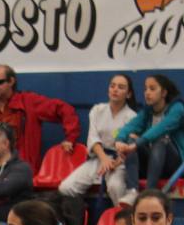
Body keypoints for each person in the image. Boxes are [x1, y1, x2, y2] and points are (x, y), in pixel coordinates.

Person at [0, 64, 79, 167]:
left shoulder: (29, 102)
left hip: (22, 169)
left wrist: (70, 138)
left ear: (11, 81)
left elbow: (64, 109)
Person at [113, 74, 184, 196]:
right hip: (152, 165)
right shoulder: (147, 112)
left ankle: (149, 192)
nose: (147, 93)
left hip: (175, 166)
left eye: (152, 89)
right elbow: (130, 126)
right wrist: (119, 140)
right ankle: (132, 191)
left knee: (160, 139)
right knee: (130, 138)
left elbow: (161, 128)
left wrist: (138, 143)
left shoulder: (177, 109)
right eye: (145, 89)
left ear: (164, 93)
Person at [58, 74, 139, 204]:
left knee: (115, 187)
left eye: (121, 87)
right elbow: (93, 138)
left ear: (128, 94)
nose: (115, 89)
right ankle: (79, 216)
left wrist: (114, 162)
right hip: (99, 158)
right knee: (66, 187)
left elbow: (131, 147)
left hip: (119, 162)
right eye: (112, 86)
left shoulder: (132, 117)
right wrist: (104, 158)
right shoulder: (97, 110)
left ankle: (122, 222)